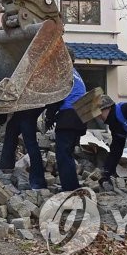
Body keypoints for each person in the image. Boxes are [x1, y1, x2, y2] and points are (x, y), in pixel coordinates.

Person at [44, 50, 88, 192]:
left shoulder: (64, 72)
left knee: (62, 154)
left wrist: (49, 117)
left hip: (70, 116)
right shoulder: (76, 74)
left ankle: (69, 189)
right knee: (68, 153)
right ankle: (72, 185)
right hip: (81, 116)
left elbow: (57, 96)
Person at [0, 104, 47, 190]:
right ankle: (6, 169)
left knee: (28, 143)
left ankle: (38, 182)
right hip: (27, 110)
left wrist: (1, 115)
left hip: (25, 109)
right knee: (14, 135)